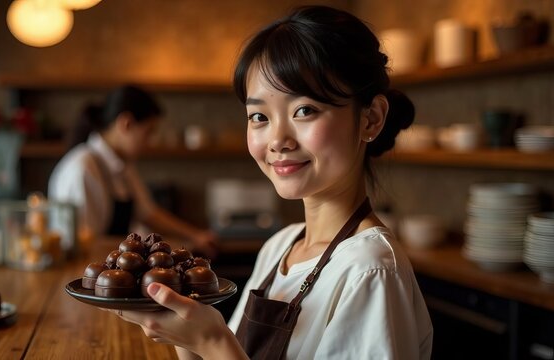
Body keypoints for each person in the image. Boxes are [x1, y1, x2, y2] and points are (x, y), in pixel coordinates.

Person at [108, 6, 433, 359]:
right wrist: (183, 331)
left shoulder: (370, 270)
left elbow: (221, 350)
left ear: (371, 119)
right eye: (259, 116)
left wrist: (212, 342)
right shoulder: (279, 247)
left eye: (304, 110)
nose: (278, 140)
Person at [48, 85, 216, 256]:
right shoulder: (83, 168)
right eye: (148, 132)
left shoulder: (123, 167)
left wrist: (195, 235)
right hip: (87, 270)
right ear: (126, 123)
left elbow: (149, 214)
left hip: (111, 269)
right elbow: (84, 241)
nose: (149, 142)